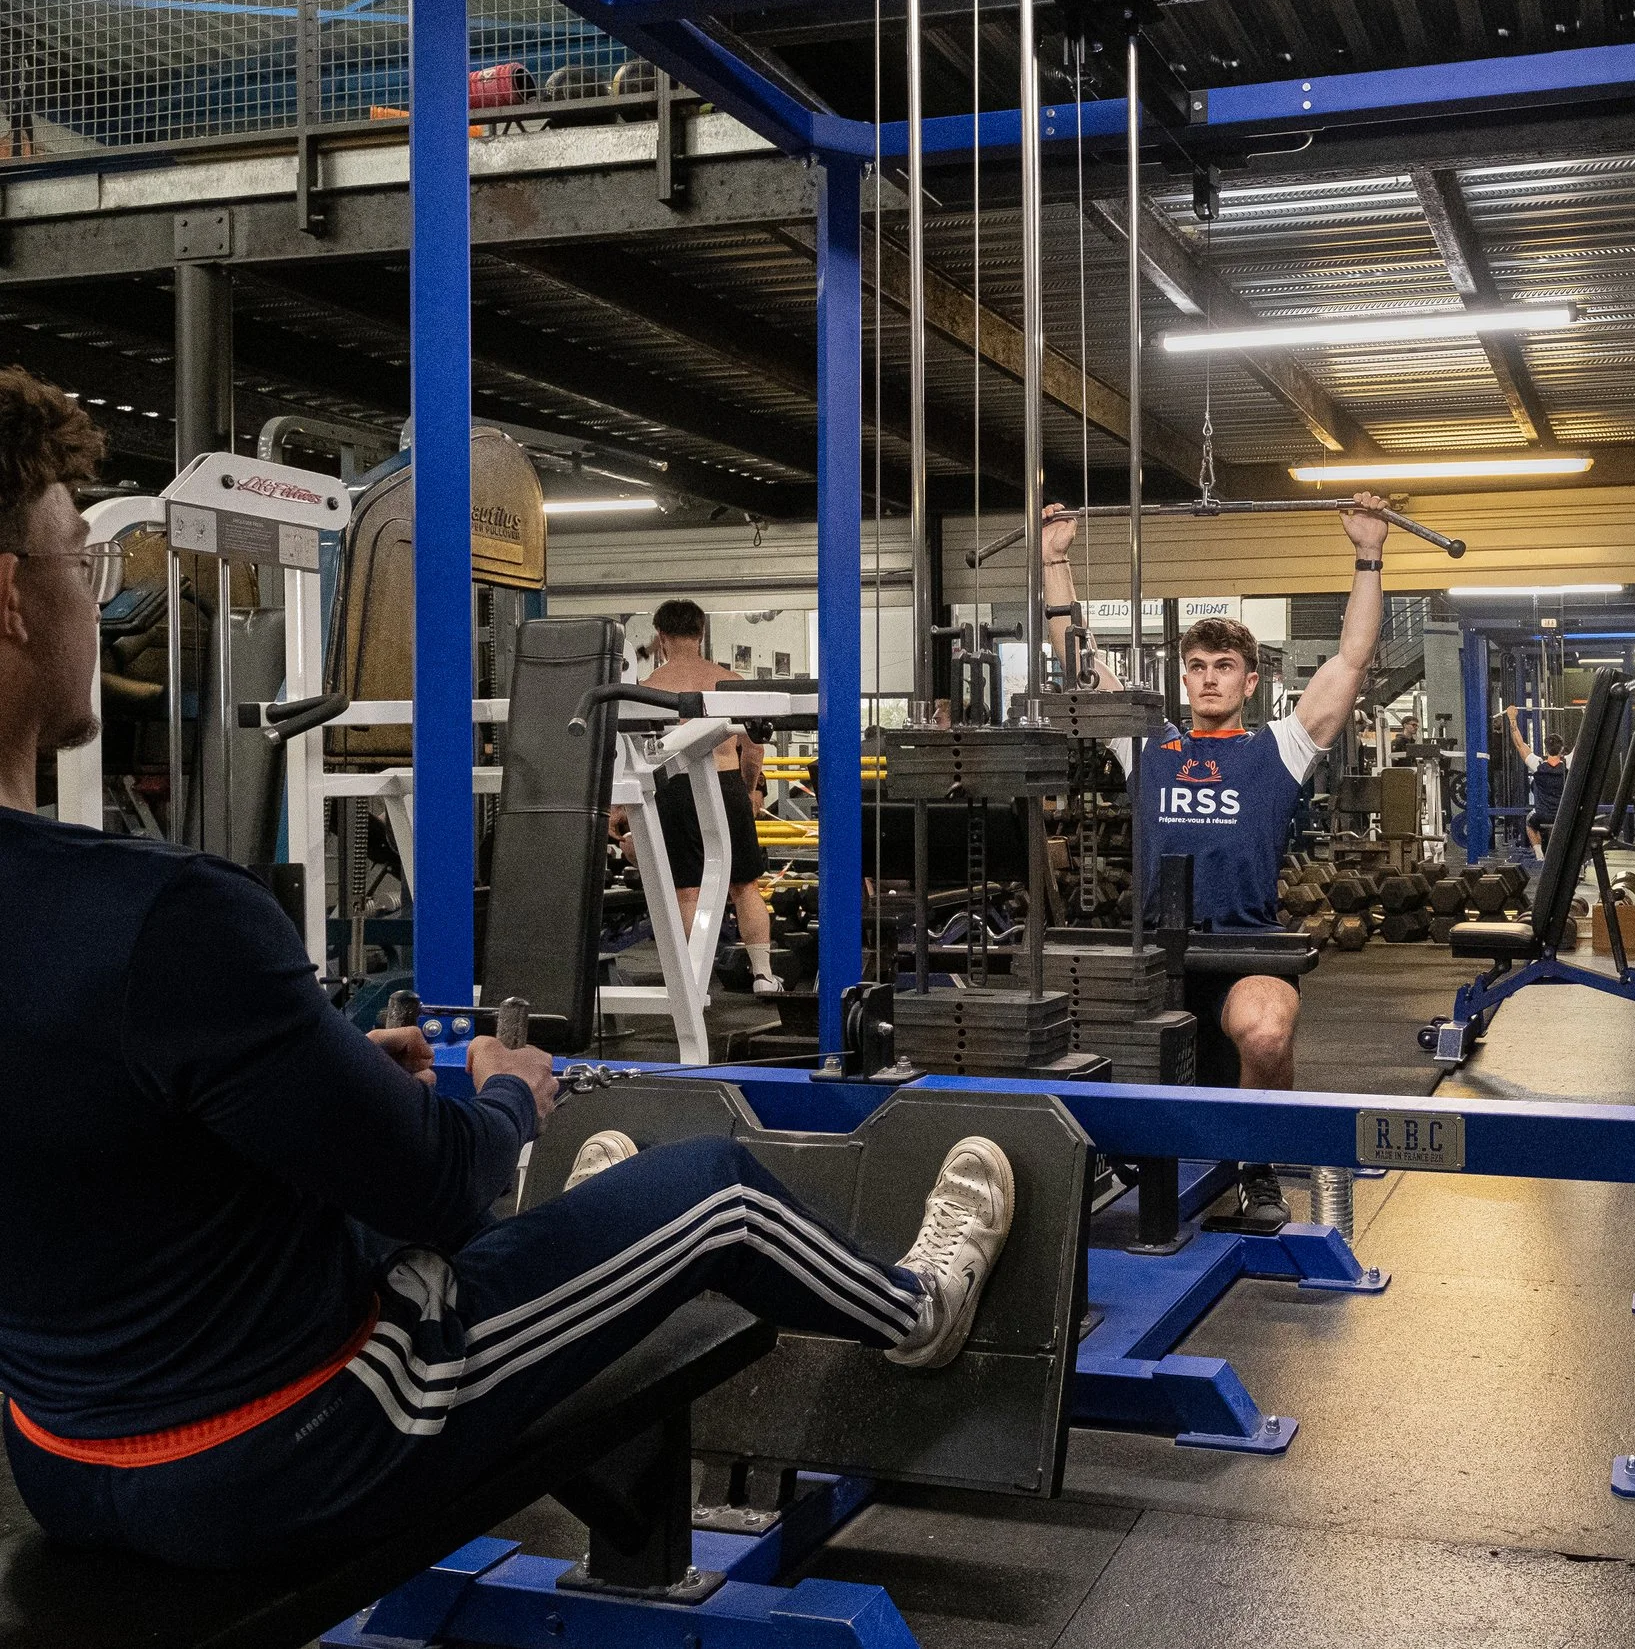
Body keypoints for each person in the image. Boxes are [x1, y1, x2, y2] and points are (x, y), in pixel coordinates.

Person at [0, 366, 1012, 1569]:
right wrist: (496, 1096)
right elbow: (435, 1188)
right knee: (718, 1191)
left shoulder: (131, 928)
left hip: (61, 1455)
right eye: (85, 564)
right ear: (13, 597)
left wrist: (313, 1075)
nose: (95, 598)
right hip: (298, 1448)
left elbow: (95, 1133)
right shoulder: (166, 915)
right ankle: (916, 1309)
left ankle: (581, 1215)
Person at [1041, 495, 1387, 1232]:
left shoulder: (1277, 750)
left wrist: (1367, 556)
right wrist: (1055, 562)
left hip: (1242, 946)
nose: (1207, 679)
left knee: (1265, 1031)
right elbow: (1078, 661)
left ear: (1249, 681)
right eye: (1196, 667)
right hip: (1151, 956)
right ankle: (1105, 1155)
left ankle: (1255, 1168)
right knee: (1059, 1030)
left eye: (1223, 667)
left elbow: (1350, 661)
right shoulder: (1148, 743)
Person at [613, 598, 780, 995]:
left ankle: (696, 982)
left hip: (673, 788)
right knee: (745, 885)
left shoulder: (647, 690)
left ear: (661, 636)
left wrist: (618, 807)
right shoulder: (729, 682)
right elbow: (753, 747)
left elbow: (631, 755)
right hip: (725, 785)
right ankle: (763, 975)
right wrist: (751, 789)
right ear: (701, 632)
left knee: (687, 889)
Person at [1504, 705, 1570, 857]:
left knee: (1529, 822)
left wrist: (1512, 718)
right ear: (1562, 750)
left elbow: (1519, 744)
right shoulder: (1568, 763)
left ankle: (1540, 855)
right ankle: (1564, 855)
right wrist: (1587, 714)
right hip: (1563, 814)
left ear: (1546, 749)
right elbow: (1583, 743)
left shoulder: (1538, 765)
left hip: (1542, 814)